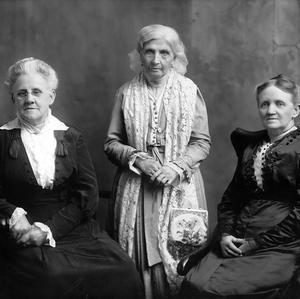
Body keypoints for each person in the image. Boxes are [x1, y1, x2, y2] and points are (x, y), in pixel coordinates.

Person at [0, 57, 143, 299]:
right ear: (13, 98)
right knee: (50, 275)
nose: (30, 99)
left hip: (70, 226)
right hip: (19, 228)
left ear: (51, 97)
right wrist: (13, 214)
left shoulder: (71, 137)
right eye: (22, 93)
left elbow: (87, 196)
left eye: (37, 91)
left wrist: (49, 230)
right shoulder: (3, 138)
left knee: (123, 268)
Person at [104, 24, 211, 298]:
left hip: (180, 185)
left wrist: (176, 167)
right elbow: (111, 144)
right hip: (137, 188)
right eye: (149, 51)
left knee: (180, 259)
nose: (156, 60)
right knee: (138, 259)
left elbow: (201, 143)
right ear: (140, 55)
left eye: (164, 52)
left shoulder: (189, 91)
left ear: (174, 57)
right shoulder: (126, 92)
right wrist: (138, 159)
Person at [180, 74, 300, 299]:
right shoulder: (252, 146)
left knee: (219, 290)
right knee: (193, 283)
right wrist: (225, 234)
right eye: (264, 104)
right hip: (237, 237)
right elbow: (231, 199)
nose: (271, 110)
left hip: (281, 244)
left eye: (279, 103)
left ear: (295, 110)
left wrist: (255, 243)